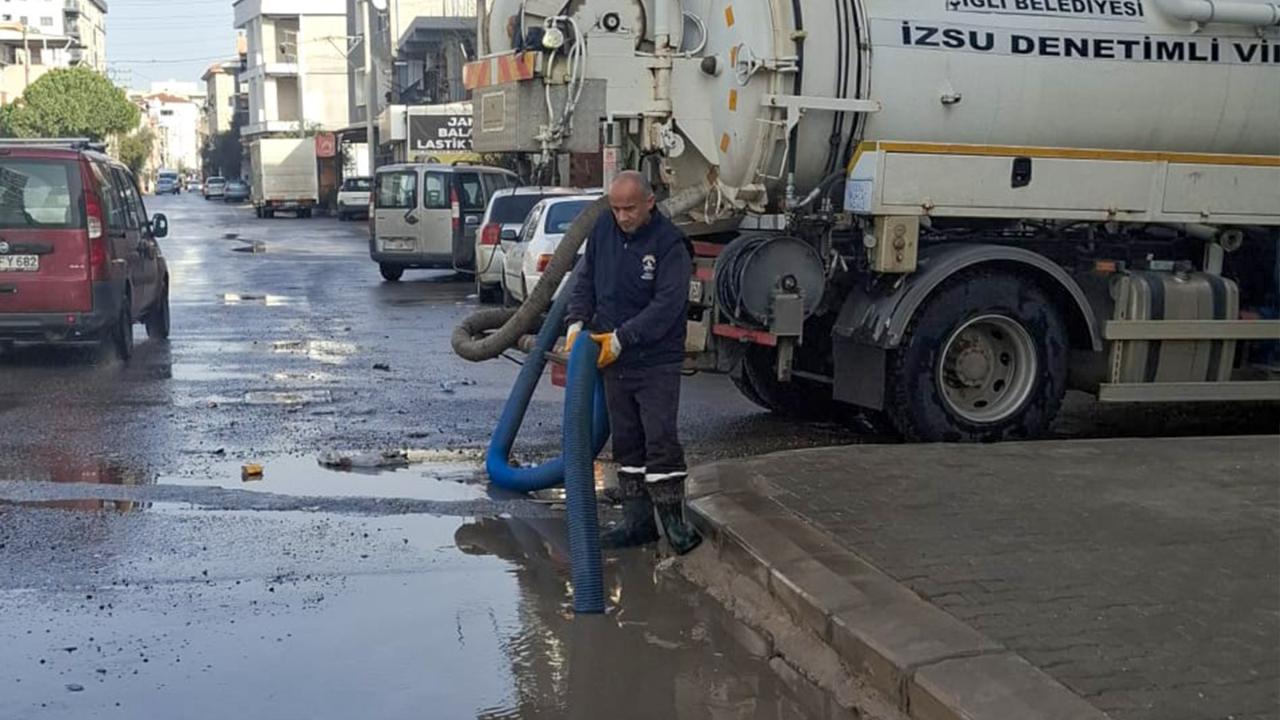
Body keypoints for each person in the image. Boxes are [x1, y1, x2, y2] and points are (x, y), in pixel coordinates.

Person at [566, 171, 701, 555]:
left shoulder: (669, 244)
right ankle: (637, 524)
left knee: (660, 439)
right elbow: (586, 280)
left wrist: (624, 337)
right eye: (616, 208)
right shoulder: (603, 233)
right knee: (627, 441)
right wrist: (576, 322)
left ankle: (674, 525)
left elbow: (668, 305)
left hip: (654, 359)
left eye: (630, 209)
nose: (623, 216)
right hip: (612, 357)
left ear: (649, 203)